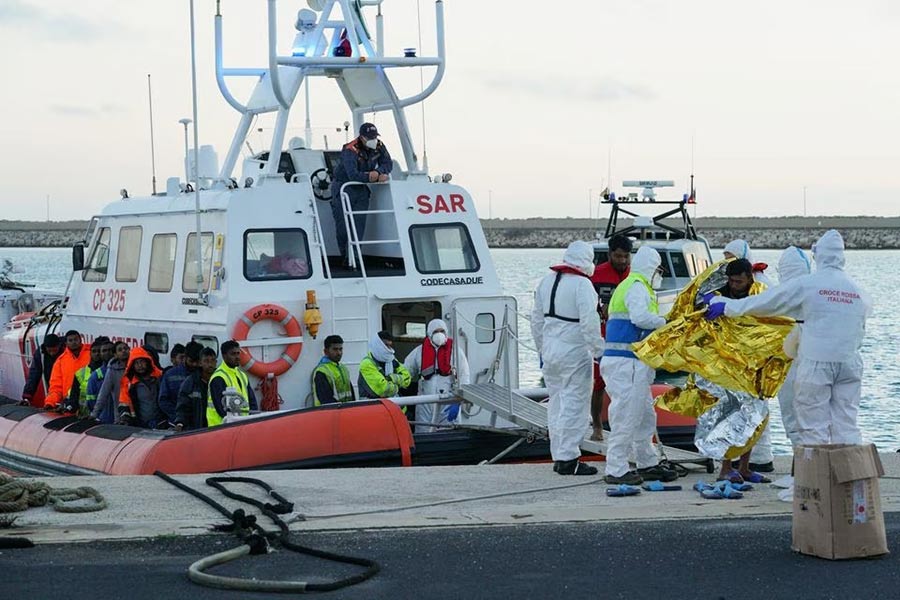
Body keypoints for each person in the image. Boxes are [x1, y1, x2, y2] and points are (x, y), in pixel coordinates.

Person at [707, 230, 871, 446]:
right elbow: (860, 330)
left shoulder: (809, 284)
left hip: (817, 362)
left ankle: (813, 478)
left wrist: (727, 306)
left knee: (812, 426)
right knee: (846, 424)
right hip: (850, 363)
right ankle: (852, 478)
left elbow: (766, 303)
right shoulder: (857, 290)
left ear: (819, 255)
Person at [601, 246, 675, 485]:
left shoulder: (633, 285)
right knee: (626, 416)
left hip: (632, 363)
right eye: (659, 269)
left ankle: (647, 462)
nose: (659, 274)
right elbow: (640, 318)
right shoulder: (637, 287)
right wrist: (666, 322)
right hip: (627, 364)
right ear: (651, 268)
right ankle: (616, 468)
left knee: (644, 416)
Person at [531, 241, 604, 476]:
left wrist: (542, 349)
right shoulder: (582, 285)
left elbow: (536, 321)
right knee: (575, 405)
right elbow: (589, 323)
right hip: (574, 352)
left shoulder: (546, 281)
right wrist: (599, 352)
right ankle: (569, 458)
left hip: (550, 350)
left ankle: (559, 455)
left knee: (556, 404)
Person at [708, 259, 770, 483]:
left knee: (753, 416)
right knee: (729, 415)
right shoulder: (719, 295)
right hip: (728, 365)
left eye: (739, 281)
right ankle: (725, 468)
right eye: (731, 281)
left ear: (749, 278)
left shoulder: (760, 295)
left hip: (753, 364)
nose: (734, 285)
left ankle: (744, 467)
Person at [589, 234, 632, 441]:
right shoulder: (595, 275)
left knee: (625, 384)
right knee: (599, 383)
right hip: (601, 336)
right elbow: (585, 305)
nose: (622, 261)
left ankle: (621, 428)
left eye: (625, 256)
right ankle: (597, 426)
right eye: (618, 256)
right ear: (609, 254)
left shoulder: (634, 277)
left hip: (627, 339)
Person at [330, 122, 393, 264]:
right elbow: (352, 174)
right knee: (342, 227)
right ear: (362, 137)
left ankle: (355, 258)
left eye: (375, 136)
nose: (373, 140)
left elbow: (388, 163)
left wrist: (379, 172)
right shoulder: (350, 150)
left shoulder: (379, 146)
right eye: (370, 137)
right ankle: (345, 256)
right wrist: (370, 177)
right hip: (344, 188)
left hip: (362, 190)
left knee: (359, 225)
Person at [774, 246, 813, 448]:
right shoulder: (818, 292)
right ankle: (817, 471)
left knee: (793, 421)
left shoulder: (779, 296)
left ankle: (802, 472)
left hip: (790, 367)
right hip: (818, 367)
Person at [404, 319, 470, 432]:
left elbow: (464, 376)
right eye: (436, 331)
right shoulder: (419, 352)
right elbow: (406, 371)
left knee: (450, 431)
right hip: (425, 401)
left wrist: (459, 400)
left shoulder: (456, 352)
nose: (439, 334)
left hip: (449, 399)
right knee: (423, 430)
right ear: (429, 333)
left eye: (442, 331)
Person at [207, 340, 259, 427]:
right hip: (221, 428)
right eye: (233, 354)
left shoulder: (242, 375)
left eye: (238, 353)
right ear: (224, 356)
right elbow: (221, 409)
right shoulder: (219, 377)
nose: (237, 357)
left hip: (241, 427)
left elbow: (252, 403)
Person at [116, 346, 164, 428]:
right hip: (139, 425)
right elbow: (124, 403)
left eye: (142, 362)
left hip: (160, 423)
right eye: (136, 363)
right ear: (132, 365)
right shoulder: (129, 384)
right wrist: (125, 418)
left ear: (147, 362)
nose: (140, 366)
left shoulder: (159, 378)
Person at [44, 330, 92, 411]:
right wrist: (50, 402)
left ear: (80, 340)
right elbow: (56, 387)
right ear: (66, 343)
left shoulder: (91, 354)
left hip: (91, 403)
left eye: (76, 339)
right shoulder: (61, 361)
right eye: (70, 340)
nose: (74, 342)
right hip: (70, 404)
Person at [358, 331, 411, 400]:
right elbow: (383, 390)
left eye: (390, 346)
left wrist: (391, 378)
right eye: (386, 345)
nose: (389, 349)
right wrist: (397, 386)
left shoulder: (392, 359)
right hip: (373, 408)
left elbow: (407, 378)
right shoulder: (367, 364)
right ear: (378, 344)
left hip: (396, 407)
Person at [174, 347, 217, 431]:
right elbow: (183, 406)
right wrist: (180, 422)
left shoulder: (219, 379)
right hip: (196, 429)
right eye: (206, 361)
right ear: (200, 363)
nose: (210, 364)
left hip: (216, 428)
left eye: (212, 361)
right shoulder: (190, 382)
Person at [64, 336, 109, 417]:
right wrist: (69, 407)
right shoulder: (80, 373)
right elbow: (74, 396)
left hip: (104, 417)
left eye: (99, 351)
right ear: (90, 353)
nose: (97, 354)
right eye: (94, 351)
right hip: (85, 418)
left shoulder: (110, 371)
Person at [157, 342, 200, 425]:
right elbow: (163, 400)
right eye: (191, 361)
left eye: (197, 361)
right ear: (185, 358)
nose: (194, 364)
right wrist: (179, 416)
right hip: (176, 423)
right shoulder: (170, 375)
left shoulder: (204, 375)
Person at [90, 342, 130, 424]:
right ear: (115, 354)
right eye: (120, 350)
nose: (123, 351)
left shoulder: (135, 367)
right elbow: (103, 393)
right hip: (120, 417)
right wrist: (94, 414)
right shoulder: (112, 370)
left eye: (125, 348)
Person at [312, 335, 356, 406]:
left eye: (340, 349)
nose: (339, 353)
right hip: (328, 413)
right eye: (335, 349)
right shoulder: (321, 371)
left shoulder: (343, 368)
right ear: (326, 351)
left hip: (345, 411)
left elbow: (351, 394)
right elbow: (326, 399)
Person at [21, 333, 62, 406]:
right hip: (53, 389)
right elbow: (34, 375)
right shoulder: (40, 354)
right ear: (45, 348)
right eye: (49, 351)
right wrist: (27, 396)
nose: (52, 353)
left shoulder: (67, 351)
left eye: (54, 350)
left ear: (59, 346)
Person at [83, 338, 115, 416]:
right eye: (104, 351)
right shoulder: (95, 376)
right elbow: (91, 402)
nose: (107, 353)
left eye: (110, 350)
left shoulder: (125, 372)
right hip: (103, 420)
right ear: (100, 354)